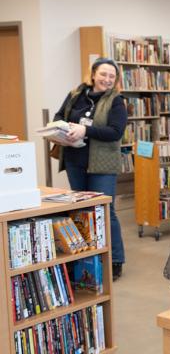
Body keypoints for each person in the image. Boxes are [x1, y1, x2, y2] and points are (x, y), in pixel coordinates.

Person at [53, 57, 127, 280]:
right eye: (103, 74)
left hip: (102, 164)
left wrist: (86, 131)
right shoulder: (76, 95)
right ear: (93, 74)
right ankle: (85, 257)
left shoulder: (116, 100)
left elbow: (115, 132)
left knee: (105, 211)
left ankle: (115, 260)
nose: (107, 79)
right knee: (80, 211)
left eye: (112, 76)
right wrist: (61, 131)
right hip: (75, 160)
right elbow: (59, 116)